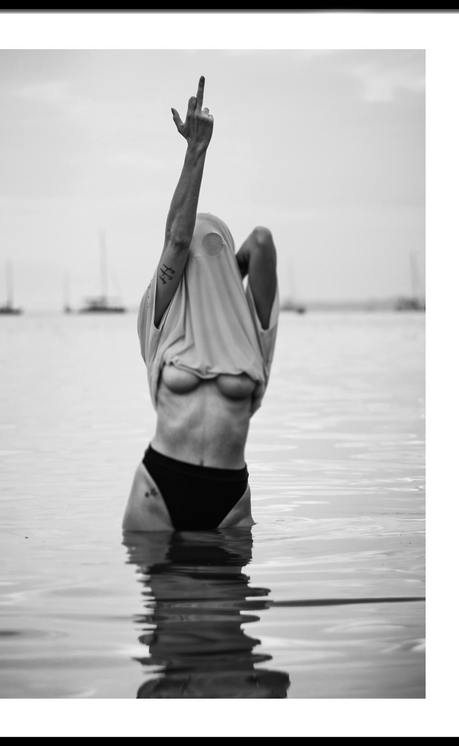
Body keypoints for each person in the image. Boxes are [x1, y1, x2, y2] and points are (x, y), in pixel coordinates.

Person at [122, 76, 279, 532]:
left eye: (219, 253)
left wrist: (231, 276)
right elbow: (176, 241)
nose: (207, 260)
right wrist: (196, 150)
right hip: (160, 490)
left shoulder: (250, 328)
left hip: (229, 500)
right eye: (201, 256)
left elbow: (264, 243)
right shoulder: (161, 315)